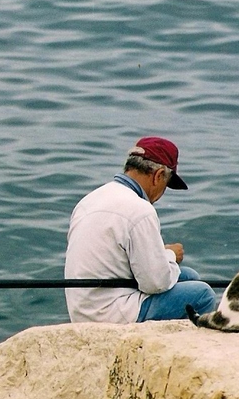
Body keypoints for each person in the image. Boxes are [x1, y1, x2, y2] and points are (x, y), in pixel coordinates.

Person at [64, 136, 216, 324]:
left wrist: (163, 257)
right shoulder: (140, 210)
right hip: (110, 313)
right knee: (203, 295)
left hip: (83, 307)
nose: (162, 193)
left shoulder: (90, 199)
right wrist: (169, 255)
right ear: (158, 175)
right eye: (166, 184)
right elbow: (155, 283)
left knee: (189, 277)